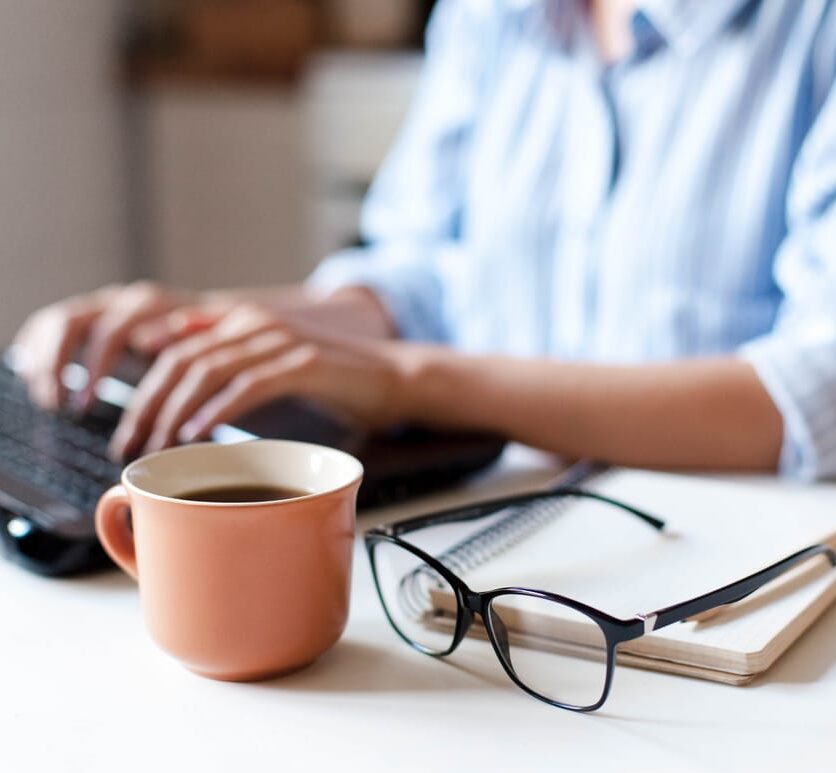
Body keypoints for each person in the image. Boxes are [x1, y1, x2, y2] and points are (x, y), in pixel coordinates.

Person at [11, 0, 836, 479]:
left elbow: (809, 393)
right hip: (499, 538)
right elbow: (427, 275)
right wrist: (210, 327)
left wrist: (410, 381)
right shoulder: (489, 15)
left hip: (733, 577)